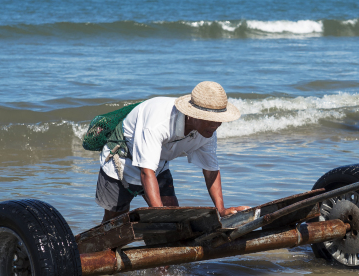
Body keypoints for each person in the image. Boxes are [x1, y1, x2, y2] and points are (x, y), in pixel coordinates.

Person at [95, 80, 248, 222]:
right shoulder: (158, 123)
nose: (216, 125)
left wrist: (221, 210)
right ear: (192, 115)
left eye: (219, 119)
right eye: (210, 119)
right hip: (121, 164)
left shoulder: (207, 131)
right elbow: (146, 172)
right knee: (115, 222)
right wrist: (160, 216)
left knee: (174, 216)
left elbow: (211, 171)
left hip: (158, 164)